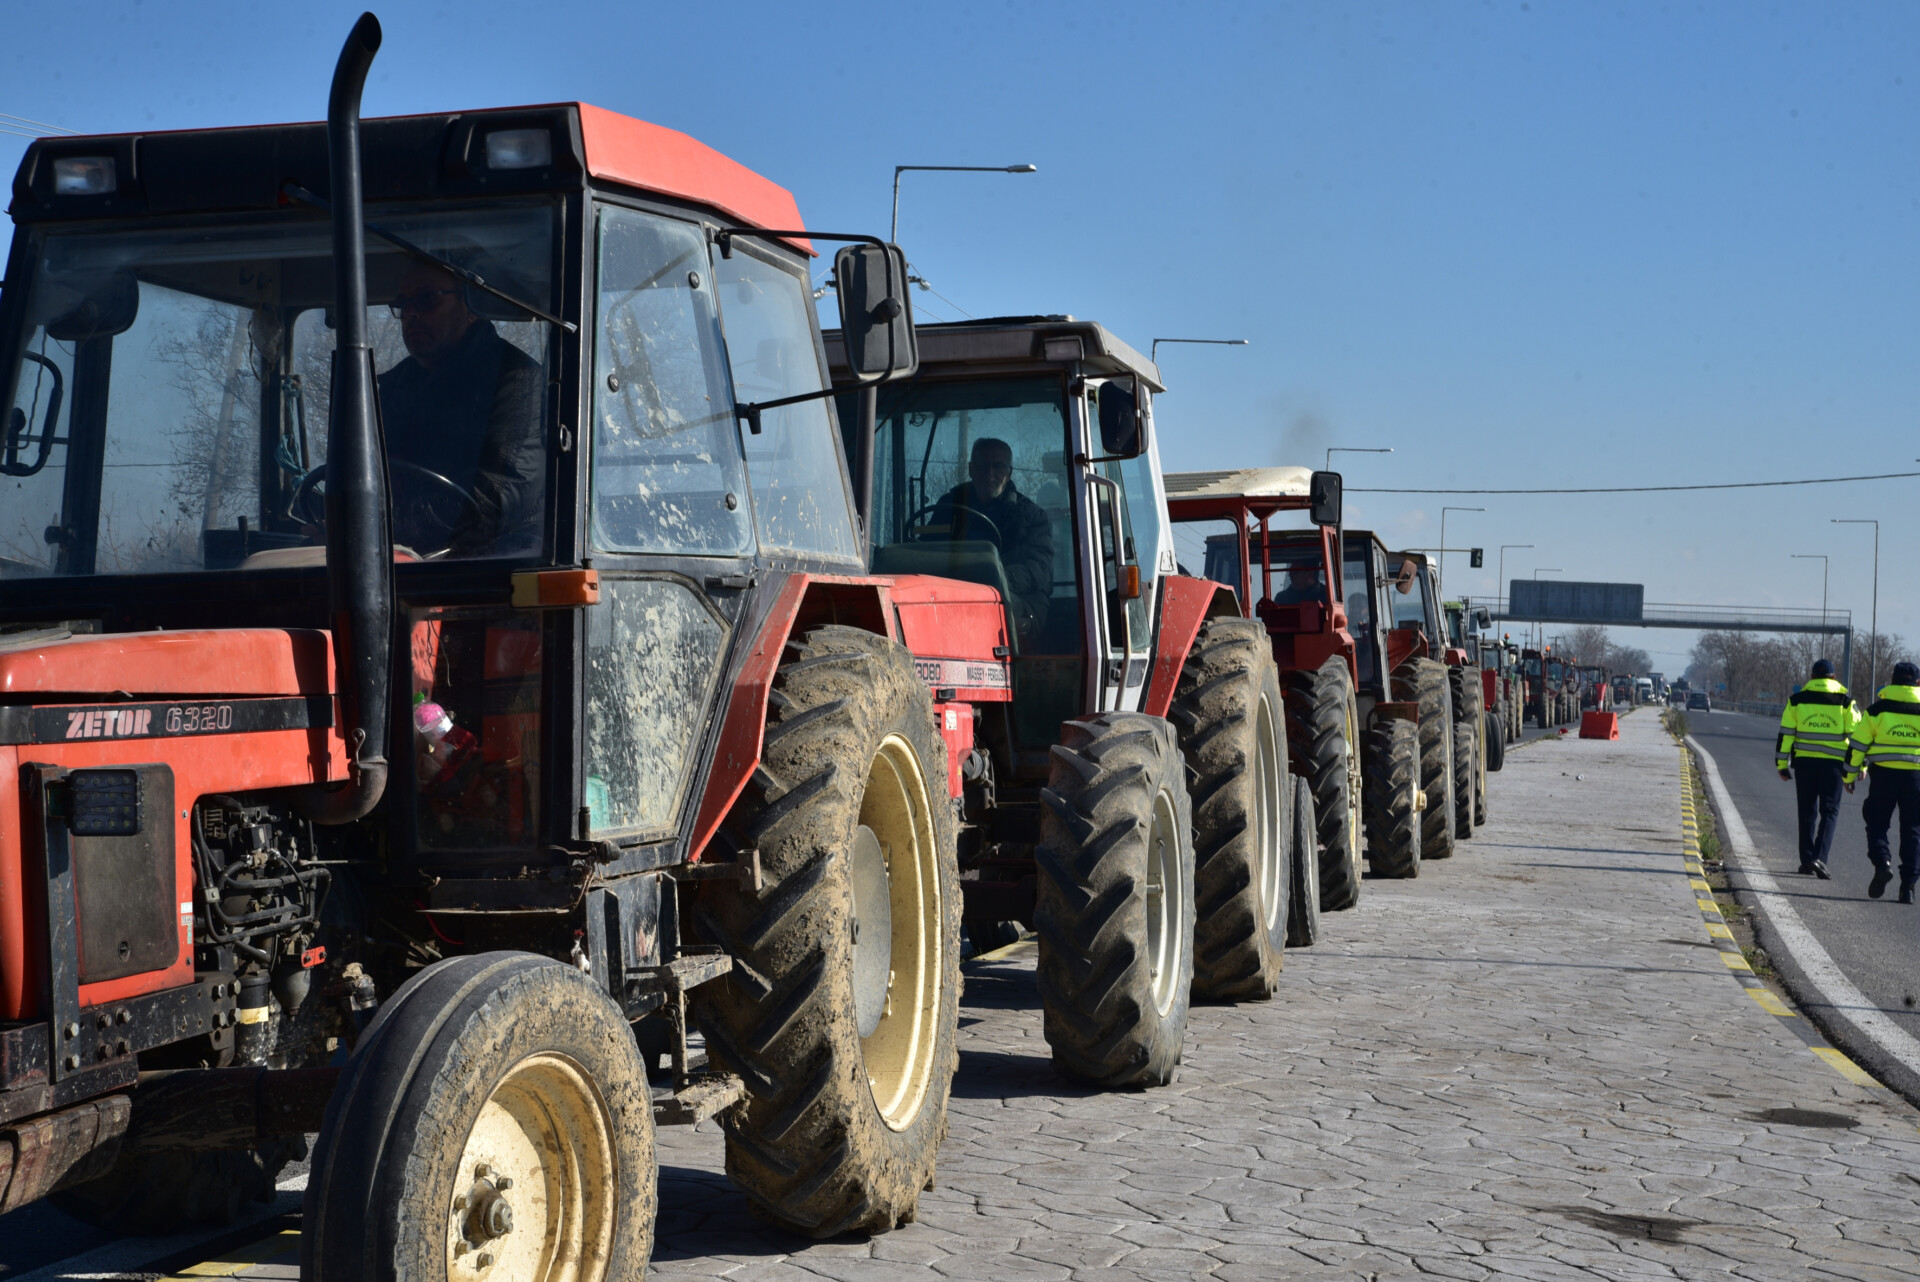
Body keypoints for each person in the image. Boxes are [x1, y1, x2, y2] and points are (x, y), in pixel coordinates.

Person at [378, 261, 545, 556]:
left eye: (426, 299)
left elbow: (496, 499)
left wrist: (380, 528)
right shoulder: (392, 388)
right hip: (403, 560)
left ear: (471, 306)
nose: (411, 314)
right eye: (403, 304)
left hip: (494, 566)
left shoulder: (517, 381)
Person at [929, 437, 1053, 642]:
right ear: (971, 469)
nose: (990, 474)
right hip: (955, 594)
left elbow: (1037, 569)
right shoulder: (949, 507)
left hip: (1021, 603)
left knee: (980, 611)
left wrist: (993, 581)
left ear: (1009, 472)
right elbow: (927, 550)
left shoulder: (1031, 516)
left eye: (998, 467)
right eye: (983, 466)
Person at [1775, 658, 1859, 878]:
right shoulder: (1845, 702)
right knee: (1829, 811)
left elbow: (1786, 734)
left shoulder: (1796, 701)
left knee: (1806, 812)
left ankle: (1806, 861)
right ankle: (1820, 858)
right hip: (1834, 766)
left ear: (1812, 677)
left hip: (1805, 763)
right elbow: (1856, 738)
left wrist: (1782, 764)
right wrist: (1856, 767)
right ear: (1833, 677)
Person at [1847, 660, 1920, 903]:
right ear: (1917, 683)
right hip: (1916, 779)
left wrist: (1849, 775)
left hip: (1884, 776)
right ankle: (1908, 886)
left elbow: (1857, 745)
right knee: (1913, 830)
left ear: (1893, 680)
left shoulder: (1877, 710)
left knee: (1877, 822)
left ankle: (1882, 862)